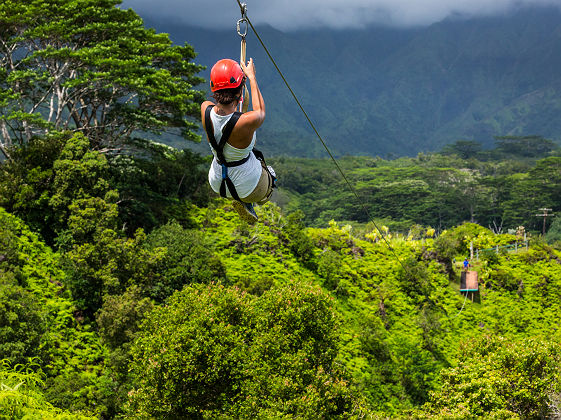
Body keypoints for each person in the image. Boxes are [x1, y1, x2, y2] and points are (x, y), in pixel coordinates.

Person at [201, 58, 275, 224]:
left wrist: (237, 90)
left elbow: (221, 112)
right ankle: (250, 199)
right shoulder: (245, 122)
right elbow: (260, 112)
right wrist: (252, 77)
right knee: (270, 176)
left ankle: (243, 199)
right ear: (239, 92)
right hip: (249, 184)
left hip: (217, 182)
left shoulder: (205, 109)